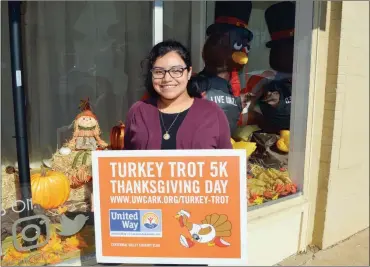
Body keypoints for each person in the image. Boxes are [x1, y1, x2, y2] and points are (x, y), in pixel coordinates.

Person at [124, 40, 232, 150]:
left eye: (176, 71)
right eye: (159, 72)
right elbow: (126, 162)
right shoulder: (138, 112)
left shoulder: (212, 113)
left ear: (189, 72)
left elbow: (228, 164)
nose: (167, 79)